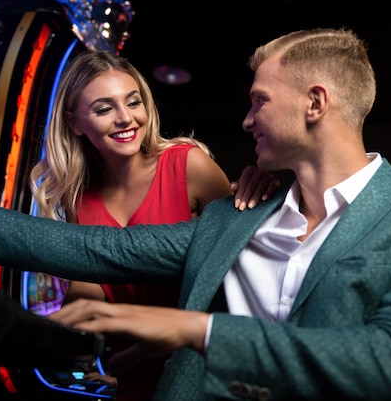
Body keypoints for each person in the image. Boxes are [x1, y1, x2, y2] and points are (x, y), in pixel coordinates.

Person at [0, 27, 391, 400]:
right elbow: (99, 247)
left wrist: (195, 330)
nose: (244, 121)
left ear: (315, 103)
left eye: (258, 101)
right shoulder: (234, 217)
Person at [28, 50, 279, 401]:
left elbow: (236, 269)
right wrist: (40, 329)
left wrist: (259, 197)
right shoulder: (78, 197)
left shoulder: (189, 165)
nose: (125, 118)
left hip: (204, 372)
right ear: (74, 123)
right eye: (104, 109)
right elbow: (90, 287)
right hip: (132, 375)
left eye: (133, 103)